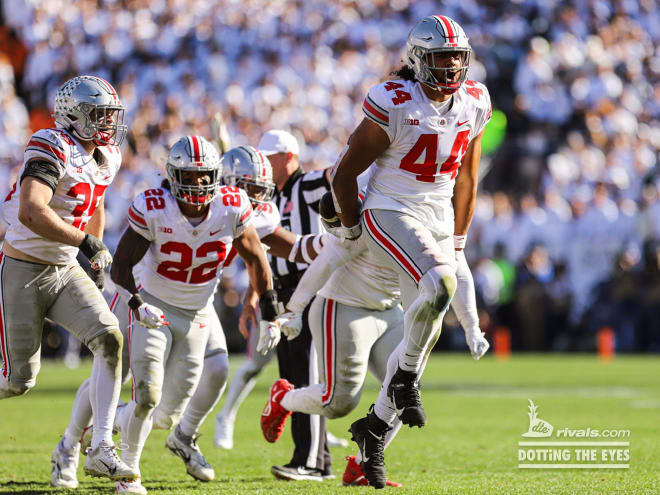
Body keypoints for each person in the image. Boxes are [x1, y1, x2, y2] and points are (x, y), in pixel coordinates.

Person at [331, 16, 491, 487]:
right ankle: (402, 384)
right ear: (419, 59)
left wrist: (458, 240)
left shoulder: (475, 101)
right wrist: (350, 228)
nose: (451, 67)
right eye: (442, 57)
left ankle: (375, 428)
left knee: (426, 328)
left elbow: (466, 178)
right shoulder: (396, 100)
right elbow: (344, 174)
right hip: (390, 208)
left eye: (457, 57)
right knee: (439, 284)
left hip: (438, 219)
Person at [260, 184, 489, 487]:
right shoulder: (357, 228)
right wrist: (295, 309)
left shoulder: (413, 214)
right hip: (344, 307)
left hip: (388, 310)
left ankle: (359, 465)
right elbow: (323, 265)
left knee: (404, 389)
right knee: (338, 402)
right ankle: (283, 398)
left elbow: (455, 266)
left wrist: (472, 326)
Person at [103, 136, 278, 494]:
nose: (197, 184)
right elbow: (120, 265)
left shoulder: (231, 206)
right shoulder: (154, 206)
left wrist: (271, 312)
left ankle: (114, 422)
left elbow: (257, 259)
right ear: (173, 175)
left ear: (216, 176)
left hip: (197, 315)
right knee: (148, 394)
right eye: (189, 175)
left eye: (204, 176)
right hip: (155, 306)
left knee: (167, 414)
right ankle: (128, 474)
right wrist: (137, 304)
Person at [0, 75, 137, 486]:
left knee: (110, 339)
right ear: (73, 116)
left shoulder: (108, 155)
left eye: (110, 115)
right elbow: (31, 210)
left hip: (64, 268)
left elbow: (92, 204)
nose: (107, 123)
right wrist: (88, 241)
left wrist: (90, 256)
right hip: (22, 269)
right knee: (17, 380)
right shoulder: (50, 143)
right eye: (98, 115)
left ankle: (99, 448)